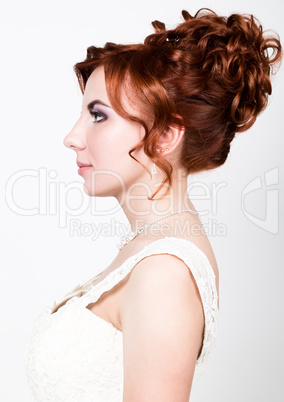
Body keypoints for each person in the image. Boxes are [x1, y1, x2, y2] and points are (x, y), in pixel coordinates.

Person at [25, 8, 281, 402]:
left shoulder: (164, 272)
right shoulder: (151, 249)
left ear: (163, 137)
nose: (72, 138)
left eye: (97, 115)